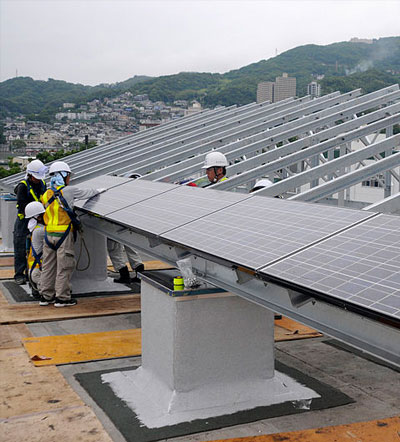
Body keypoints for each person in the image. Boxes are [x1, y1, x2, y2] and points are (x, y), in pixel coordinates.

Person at [39, 161, 106, 307]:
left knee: (48, 265)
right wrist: (99, 190)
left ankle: (46, 296)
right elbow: (88, 193)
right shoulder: (68, 191)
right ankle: (62, 298)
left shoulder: (46, 194)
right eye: (68, 175)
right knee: (64, 266)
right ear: (63, 175)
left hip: (48, 234)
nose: (69, 178)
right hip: (63, 234)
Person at [13, 159, 47, 285]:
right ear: (30, 175)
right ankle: (19, 274)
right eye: (36, 177)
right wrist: (35, 215)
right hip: (24, 220)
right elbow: (21, 205)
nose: (37, 179)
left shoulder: (42, 184)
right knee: (20, 246)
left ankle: (33, 272)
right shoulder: (23, 186)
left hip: (39, 219)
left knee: (37, 247)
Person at [24, 201, 46, 299]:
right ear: (39, 217)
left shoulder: (34, 228)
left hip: (33, 268)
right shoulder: (41, 230)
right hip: (39, 271)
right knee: (48, 295)